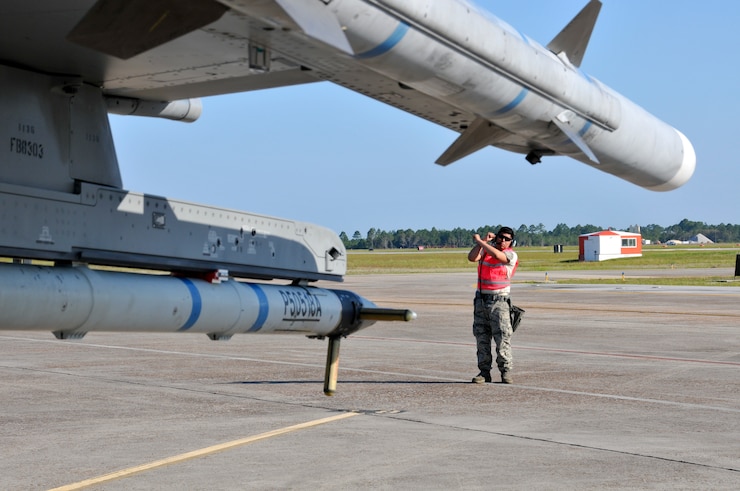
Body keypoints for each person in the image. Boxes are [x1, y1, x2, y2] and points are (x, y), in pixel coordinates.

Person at [468, 227, 518, 384]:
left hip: (499, 301)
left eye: (506, 239)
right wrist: (483, 242)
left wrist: (480, 242)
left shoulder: (510, 254)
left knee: (502, 338)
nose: (503, 241)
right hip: (481, 300)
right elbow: (472, 257)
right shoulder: (485, 251)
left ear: (511, 242)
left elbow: (498, 255)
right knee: (482, 338)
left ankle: (505, 372)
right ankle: (484, 372)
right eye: (501, 237)